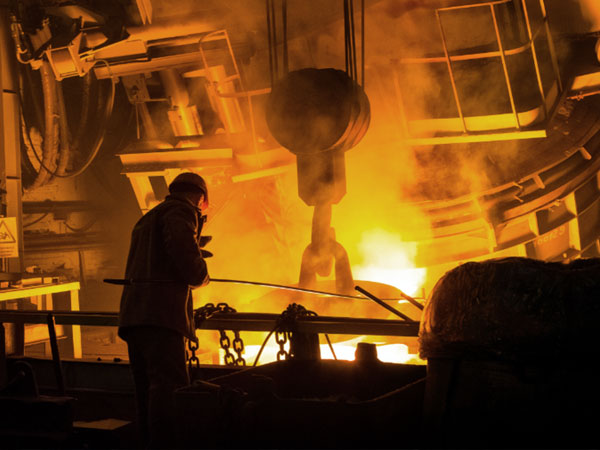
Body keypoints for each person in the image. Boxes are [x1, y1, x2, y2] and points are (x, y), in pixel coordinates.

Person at [118, 172, 210, 449]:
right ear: (200, 198)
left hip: (135, 316)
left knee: (145, 391)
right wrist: (200, 271)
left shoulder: (148, 218)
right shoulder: (182, 211)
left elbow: (159, 255)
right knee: (169, 389)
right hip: (161, 318)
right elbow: (187, 262)